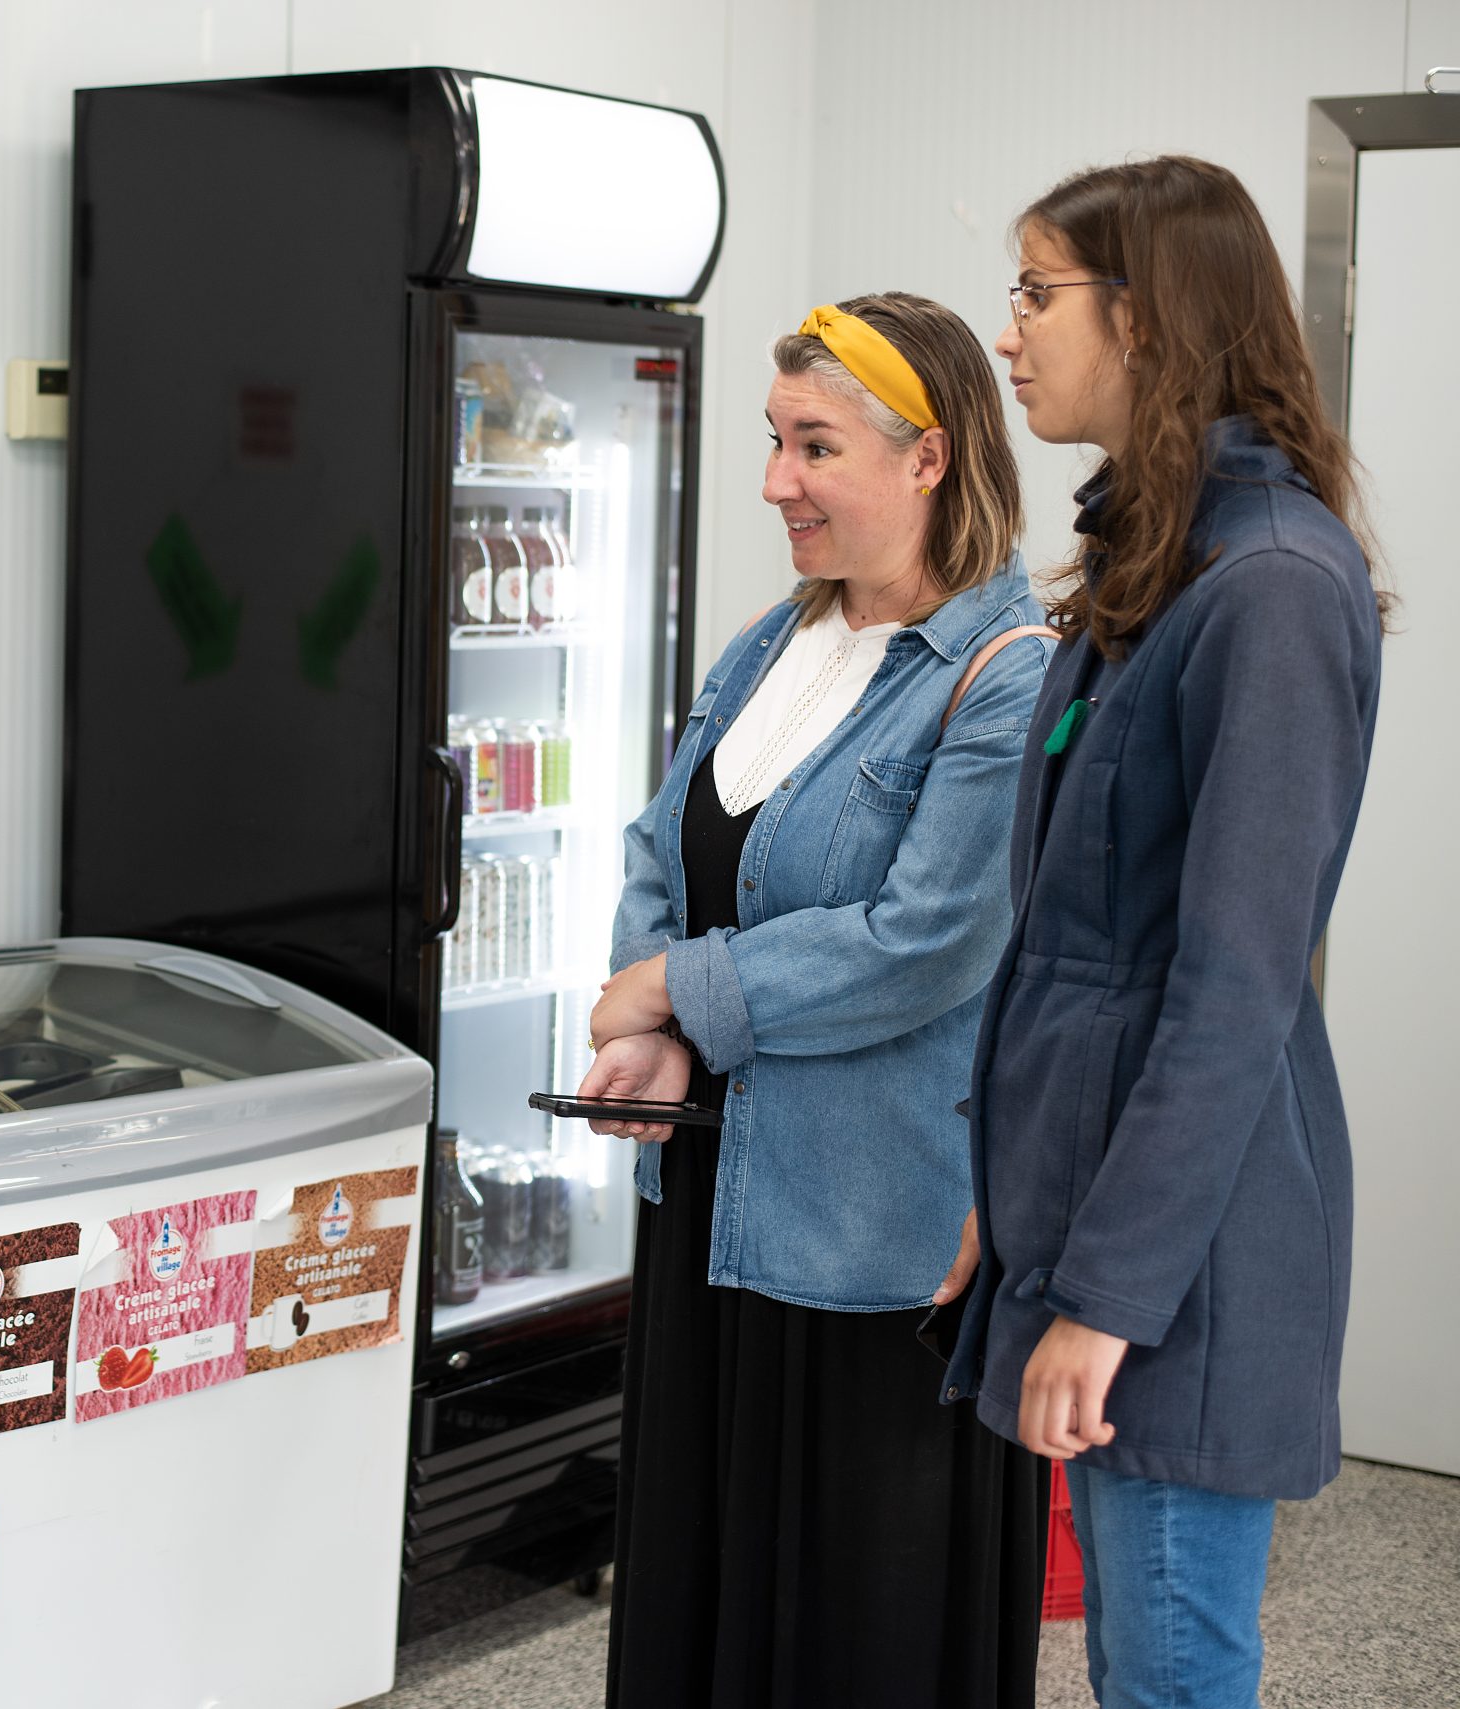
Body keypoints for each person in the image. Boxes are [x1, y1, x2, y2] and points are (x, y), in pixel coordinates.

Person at [938, 156, 1386, 1709]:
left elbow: (1229, 991)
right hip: (1108, 1209)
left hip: (1186, 1248)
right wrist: (1013, 1203)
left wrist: (1108, 1297)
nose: (1011, 331)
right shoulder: (1158, 561)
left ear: (1147, 319)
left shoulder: (1268, 586)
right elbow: (1070, 947)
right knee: (1142, 1657)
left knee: (1176, 1665)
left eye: (1037, 293)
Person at [580, 294, 1054, 1708]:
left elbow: (924, 941)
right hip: (710, 1208)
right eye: (774, 442)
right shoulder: (763, 647)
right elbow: (659, 844)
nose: (777, 480)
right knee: (707, 1595)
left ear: (932, 458)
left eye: (815, 446)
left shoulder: (1003, 679)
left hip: (870, 1239)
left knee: (852, 1629)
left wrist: (676, 984)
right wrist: (656, 1035)